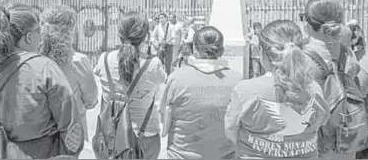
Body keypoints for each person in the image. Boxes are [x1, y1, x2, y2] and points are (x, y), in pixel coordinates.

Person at [0, 3, 84, 159]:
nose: (41, 36)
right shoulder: (44, 68)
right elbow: (72, 127)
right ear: (29, 37)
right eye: (39, 31)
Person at [224, 19, 330, 159]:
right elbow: (320, 123)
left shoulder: (245, 90)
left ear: (262, 52)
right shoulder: (314, 89)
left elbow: (231, 130)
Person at [160, 26, 242, 159]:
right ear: (222, 50)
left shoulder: (176, 78)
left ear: (194, 49)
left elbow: (164, 118)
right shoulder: (238, 80)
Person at [93, 11, 167, 159]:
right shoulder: (153, 64)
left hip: (111, 137)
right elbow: (162, 89)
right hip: (145, 136)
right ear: (146, 36)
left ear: (119, 34)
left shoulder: (104, 59)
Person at [303, 0, 368, 159]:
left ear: (308, 25)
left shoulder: (301, 57)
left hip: (313, 142)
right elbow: (362, 87)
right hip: (346, 138)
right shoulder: (348, 54)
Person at [39, 5, 99, 143]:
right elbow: (91, 100)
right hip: (72, 135)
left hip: (41, 134)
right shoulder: (78, 61)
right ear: (70, 31)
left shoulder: (34, 59)